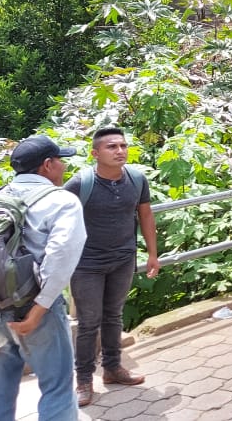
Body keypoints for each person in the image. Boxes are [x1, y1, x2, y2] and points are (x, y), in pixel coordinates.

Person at [0, 135, 85, 421]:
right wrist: (39, 309)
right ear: (48, 165)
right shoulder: (62, 200)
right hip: (35, 310)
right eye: (60, 161)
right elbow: (60, 256)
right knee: (57, 390)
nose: (63, 167)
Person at [64, 128, 158, 407]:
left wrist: (153, 254)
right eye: (111, 147)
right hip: (86, 264)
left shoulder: (137, 178)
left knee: (113, 316)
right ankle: (83, 379)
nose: (119, 151)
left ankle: (113, 369)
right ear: (95, 153)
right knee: (88, 322)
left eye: (123, 145)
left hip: (123, 258)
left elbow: (145, 214)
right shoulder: (80, 183)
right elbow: (57, 219)